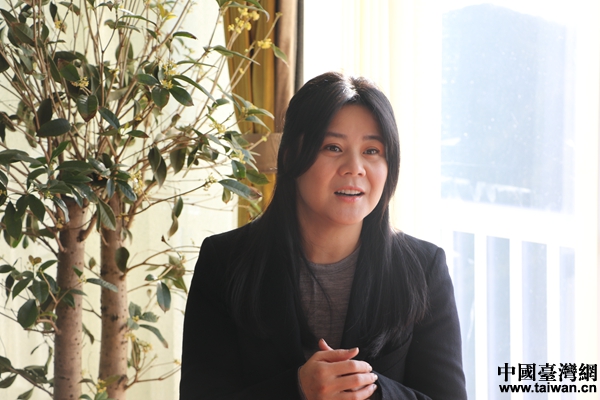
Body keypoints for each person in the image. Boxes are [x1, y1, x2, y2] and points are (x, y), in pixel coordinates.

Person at [180, 72, 467, 400]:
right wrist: (297, 390)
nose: (354, 167)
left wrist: (368, 390)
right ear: (291, 155)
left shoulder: (424, 267)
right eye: (333, 147)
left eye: (372, 150)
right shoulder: (225, 261)